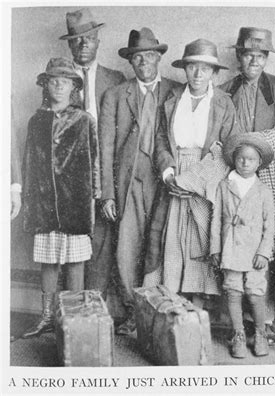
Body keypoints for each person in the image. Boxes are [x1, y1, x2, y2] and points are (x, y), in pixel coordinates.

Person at [219, 27, 275, 342]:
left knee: (267, 249)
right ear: (239, 55)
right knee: (237, 246)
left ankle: (267, 321)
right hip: (236, 180)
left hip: (270, 185)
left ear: (267, 58)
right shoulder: (225, 90)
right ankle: (243, 323)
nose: (254, 60)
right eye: (249, 53)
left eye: (261, 55)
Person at [100, 27, 180, 335]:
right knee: (128, 246)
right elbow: (106, 147)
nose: (143, 62)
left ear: (159, 57)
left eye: (149, 55)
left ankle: (158, 310)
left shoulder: (176, 90)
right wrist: (107, 193)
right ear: (130, 62)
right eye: (137, 58)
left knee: (162, 243)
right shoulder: (117, 95)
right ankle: (134, 310)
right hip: (129, 180)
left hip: (165, 180)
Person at [151, 38, 240, 307]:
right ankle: (171, 307)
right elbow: (161, 141)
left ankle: (198, 312)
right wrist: (168, 174)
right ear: (185, 70)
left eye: (205, 69)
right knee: (171, 240)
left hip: (206, 178)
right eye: (192, 67)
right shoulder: (172, 98)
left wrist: (196, 180)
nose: (198, 74)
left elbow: (230, 148)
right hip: (175, 178)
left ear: (214, 73)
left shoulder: (224, 103)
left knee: (200, 242)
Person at [21, 58, 99, 338]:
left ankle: (74, 317)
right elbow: (29, 162)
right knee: (48, 259)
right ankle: (46, 315)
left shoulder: (84, 120)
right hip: (43, 203)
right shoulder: (37, 121)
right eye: (53, 81)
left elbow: (95, 161)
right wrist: (30, 201)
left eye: (64, 82)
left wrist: (94, 194)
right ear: (45, 85)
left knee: (76, 260)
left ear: (73, 87)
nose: (58, 86)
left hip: (75, 202)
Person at [59, 8, 126, 302]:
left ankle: (96, 308)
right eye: (76, 40)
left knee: (102, 239)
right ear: (69, 45)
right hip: (70, 173)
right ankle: (72, 308)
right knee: (71, 240)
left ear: (98, 39)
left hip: (105, 168)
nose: (83, 44)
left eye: (88, 38)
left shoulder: (115, 78)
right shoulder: (58, 80)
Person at [210, 134, 275, 358]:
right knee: (233, 288)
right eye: (241, 159)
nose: (245, 163)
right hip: (231, 247)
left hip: (255, 250)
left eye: (251, 160)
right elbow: (216, 219)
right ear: (234, 159)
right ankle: (237, 334)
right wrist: (216, 249)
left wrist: (264, 252)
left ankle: (259, 333)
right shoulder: (224, 186)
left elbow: (270, 227)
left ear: (259, 164)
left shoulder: (264, 191)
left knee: (255, 290)